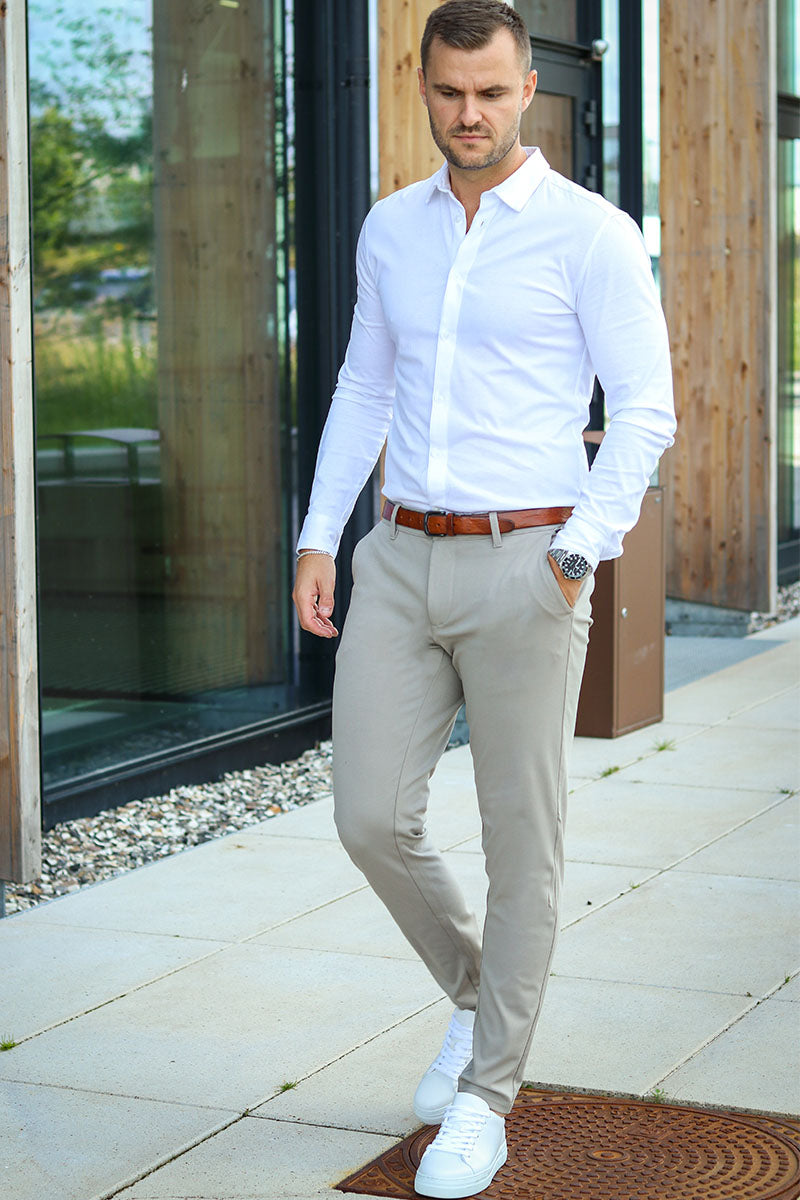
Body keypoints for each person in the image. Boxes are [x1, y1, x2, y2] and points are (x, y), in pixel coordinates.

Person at [292, 1, 676, 1194]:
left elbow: (644, 410)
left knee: (523, 842)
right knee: (369, 817)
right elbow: (363, 388)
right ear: (421, 85)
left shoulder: (590, 234)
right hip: (400, 557)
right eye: (450, 92)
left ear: (526, 93)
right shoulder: (389, 228)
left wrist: (577, 553)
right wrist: (319, 537)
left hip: (527, 564)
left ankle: (487, 1093)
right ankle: (476, 995)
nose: (470, 114)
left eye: (492, 92)